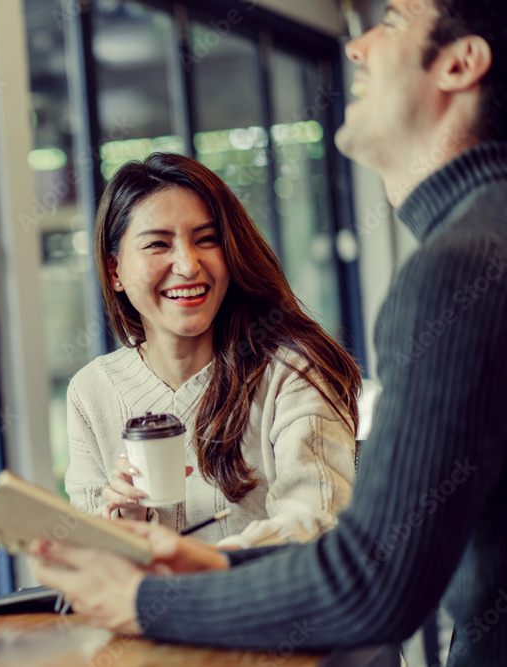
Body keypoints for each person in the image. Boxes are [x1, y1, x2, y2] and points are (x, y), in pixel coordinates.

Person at [31, 0, 507, 663]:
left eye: (393, 20)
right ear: (115, 271)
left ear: (461, 63)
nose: (357, 46)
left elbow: (374, 575)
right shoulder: (475, 246)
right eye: (158, 244)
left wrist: (148, 595)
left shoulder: (459, 267)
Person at [66, 153, 361, 549]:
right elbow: (91, 567)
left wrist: (195, 564)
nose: (188, 265)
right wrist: (126, 528)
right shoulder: (92, 391)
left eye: (206, 239)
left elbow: (317, 523)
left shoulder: (291, 372)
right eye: (157, 244)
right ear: (115, 270)